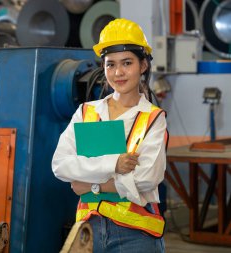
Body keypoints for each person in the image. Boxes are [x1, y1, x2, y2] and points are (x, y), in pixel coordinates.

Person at [52, 18, 168, 253]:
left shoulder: (152, 117)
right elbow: (61, 165)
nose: (118, 72)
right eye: (110, 64)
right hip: (88, 230)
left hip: (136, 235)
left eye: (127, 63)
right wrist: (115, 163)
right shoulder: (87, 112)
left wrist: (91, 185)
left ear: (143, 66)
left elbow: (147, 178)